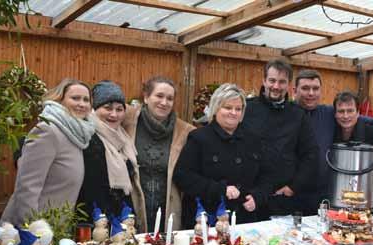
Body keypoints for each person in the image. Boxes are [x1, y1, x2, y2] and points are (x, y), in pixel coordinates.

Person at [173, 83, 272, 226]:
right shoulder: (199, 138)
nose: (233, 112)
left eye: (238, 109)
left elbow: (267, 175)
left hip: (243, 220)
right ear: (216, 108)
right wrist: (220, 189)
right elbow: (183, 176)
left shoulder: (253, 140)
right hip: (206, 221)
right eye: (228, 107)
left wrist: (258, 196)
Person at [0, 79, 95, 226]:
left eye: (86, 100)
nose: (81, 104)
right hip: (29, 234)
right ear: (60, 100)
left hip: (56, 230)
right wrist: (33, 231)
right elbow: (27, 187)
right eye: (75, 98)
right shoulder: (48, 131)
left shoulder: (77, 136)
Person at [293, 69, 373, 212]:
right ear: (295, 90)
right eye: (306, 88)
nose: (311, 93)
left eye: (315, 88)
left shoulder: (327, 113)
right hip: (293, 192)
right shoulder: (288, 113)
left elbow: (354, 118)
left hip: (324, 193)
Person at [241, 59, 319, 219]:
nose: (276, 86)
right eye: (272, 80)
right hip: (249, 197)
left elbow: (311, 154)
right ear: (264, 81)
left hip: (282, 200)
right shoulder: (247, 108)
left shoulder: (298, 115)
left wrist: (293, 187)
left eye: (282, 82)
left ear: (289, 85)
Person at [123, 76, 195, 232]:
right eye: (159, 96)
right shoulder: (127, 121)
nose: (164, 102)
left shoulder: (185, 132)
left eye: (170, 98)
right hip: (131, 208)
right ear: (146, 97)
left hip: (169, 210)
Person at [77, 81, 147, 231]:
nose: (114, 114)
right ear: (94, 109)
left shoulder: (123, 139)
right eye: (107, 108)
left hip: (120, 218)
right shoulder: (86, 135)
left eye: (119, 109)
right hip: (92, 220)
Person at [333, 91, 373, 199]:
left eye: (350, 111)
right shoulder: (331, 133)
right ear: (335, 114)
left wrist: (369, 193)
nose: (345, 116)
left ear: (358, 113)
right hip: (341, 197)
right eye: (341, 111)